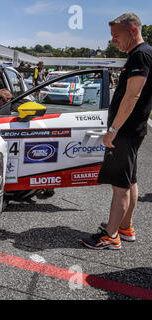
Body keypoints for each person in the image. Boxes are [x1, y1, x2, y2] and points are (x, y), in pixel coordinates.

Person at [81, 13, 152, 250]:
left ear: (133, 31)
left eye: (116, 35)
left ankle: (110, 236)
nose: (112, 41)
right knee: (130, 180)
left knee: (119, 186)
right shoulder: (141, 54)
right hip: (133, 129)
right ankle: (125, 227)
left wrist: (113, 129)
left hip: (125, 130)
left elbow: (133, 95)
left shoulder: (140, 55)